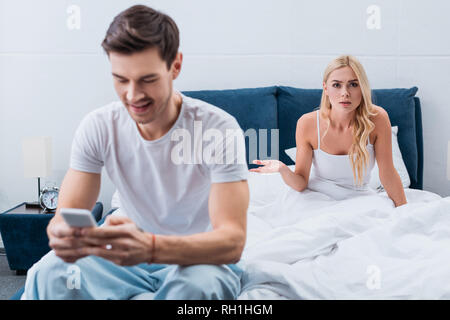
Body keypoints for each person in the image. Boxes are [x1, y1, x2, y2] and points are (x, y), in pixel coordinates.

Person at [22, 5, 249, 300]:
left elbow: (232, 242)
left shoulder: (218, 128)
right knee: (49, 272)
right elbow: (67, 216)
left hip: (199, 257)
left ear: (175, 66)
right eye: (121, 79)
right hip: (123, 260)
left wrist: (151, 247)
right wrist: (61, 234)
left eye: (147, 79)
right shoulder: (98, 126)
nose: (132, 95)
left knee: (194, 288)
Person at [251, 55, 407, 207]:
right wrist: (282, 169)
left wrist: (404, 211)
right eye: (337, 85)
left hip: (359, 200)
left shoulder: (377, 118)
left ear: (362, 88)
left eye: (353, 84)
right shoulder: (307, 123)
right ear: (325, 88)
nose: (345, 93)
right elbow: (300, 183)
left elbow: (388, 174)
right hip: (316, 200)